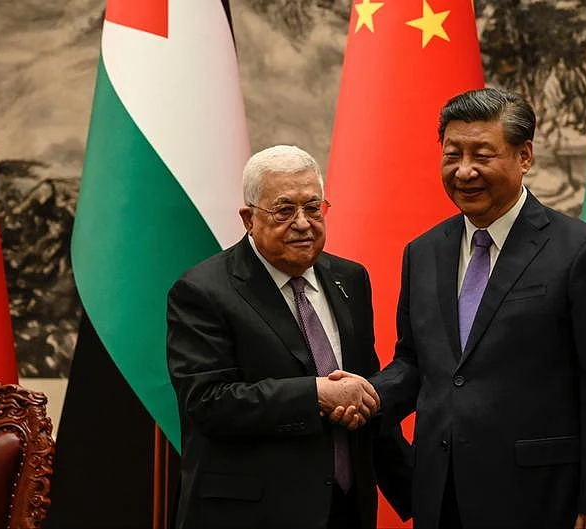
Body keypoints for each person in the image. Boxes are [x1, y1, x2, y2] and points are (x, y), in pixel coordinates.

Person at [338, 88, 586, 528]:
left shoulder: (581, 252)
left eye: (482, 155)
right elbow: (417, 364)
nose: (464, 171)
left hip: (541, 498)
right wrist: (367, 396)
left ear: (524, 156)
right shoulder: (423, 252)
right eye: (452, 154)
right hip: (442, 497)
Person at [166, 145, 411, 529]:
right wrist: (315, 395)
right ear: (249, 219)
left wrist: (417, 491)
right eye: (284, 210)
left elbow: (360, 392)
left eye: (314, 208)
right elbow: (207, 402)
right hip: (253, 514)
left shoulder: (350, 279)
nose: (302, 223)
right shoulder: (203, 290)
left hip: (345, 509)